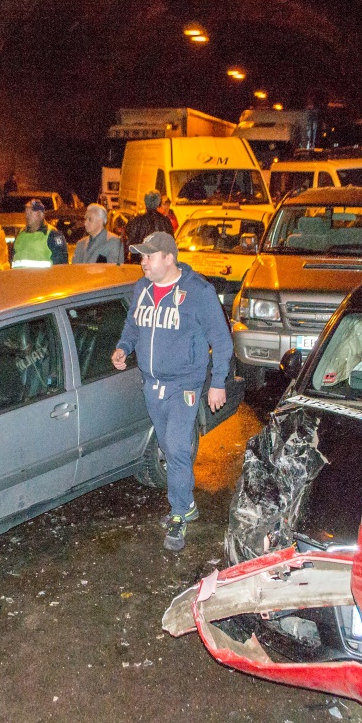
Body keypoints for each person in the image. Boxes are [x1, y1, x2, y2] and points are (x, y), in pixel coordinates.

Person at [111, 231, 232, 551]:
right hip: (152, 386)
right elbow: (133, 326)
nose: (142, 263)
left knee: (178, 448)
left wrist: (217, 382)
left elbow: (221, 340)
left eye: (148, 257)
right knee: (168, 447)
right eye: (141, 257)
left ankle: (179, 512)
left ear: (168, 258)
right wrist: (124, 347)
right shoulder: (142, 289)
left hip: (184, 386)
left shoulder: (198, 292)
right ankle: (187, 503)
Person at [11, 198, 69, 267]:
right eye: (26, 212)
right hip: (19, 277)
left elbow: (60, 266)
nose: (27, 215)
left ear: (41, 215)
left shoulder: (53, 235)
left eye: (31, 212)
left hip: (42, 278)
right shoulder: (20, 235)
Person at [122, 190, 173, 261]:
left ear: (145, 202)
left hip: (139, 262)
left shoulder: (136, 221)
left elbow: (128, 243)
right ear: (159, 203)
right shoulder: (165, 221)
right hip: (159, 263)